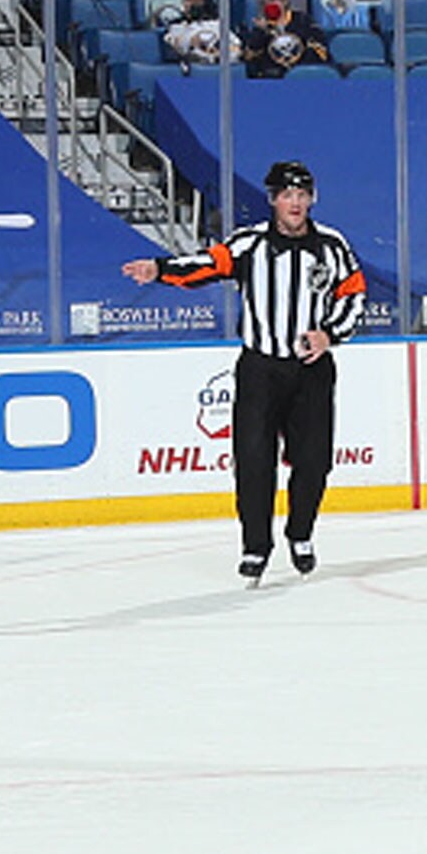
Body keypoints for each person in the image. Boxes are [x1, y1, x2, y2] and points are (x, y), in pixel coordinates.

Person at [120, 161, 365, 582]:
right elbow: (205, 265)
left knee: (314, 461)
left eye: (302, 195)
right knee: (253, 460)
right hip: (260, 370)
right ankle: (255, 546)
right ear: (272, 200)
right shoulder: (250, 244)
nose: (296, 202)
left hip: (312, 373)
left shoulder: (331, 245)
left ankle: (301, 533)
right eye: (287, 195)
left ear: (312, 199)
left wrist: (329, 334)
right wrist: (160, 269)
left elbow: (353, 296)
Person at [241, 0, 329, 77]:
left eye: (273, 0)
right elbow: (249, 57)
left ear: (284, 2)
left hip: (301, 75)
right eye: (265, 3)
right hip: (273, 77)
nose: (269, 5)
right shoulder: (261, 27)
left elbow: (321, 51)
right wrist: (261, 32)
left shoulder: (303, 21)